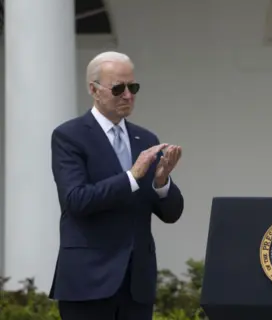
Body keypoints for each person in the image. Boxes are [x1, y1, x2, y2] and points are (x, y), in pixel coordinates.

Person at [48, 51, 184, 319]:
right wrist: (132, 177)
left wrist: (161, 182)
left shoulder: (145, 139)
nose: (128, 95)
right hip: (88, 280)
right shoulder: (69, 136)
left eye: (133, 87)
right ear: (94, 90)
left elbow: (172, 213)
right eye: (118, 88)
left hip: (136, 283)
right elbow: (76, 200)